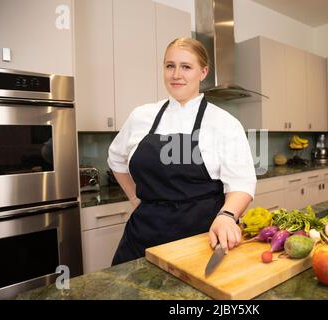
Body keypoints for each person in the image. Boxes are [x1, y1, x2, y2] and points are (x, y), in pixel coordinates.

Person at [107, 37, 256, 265]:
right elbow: (116, 160)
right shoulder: (141, 116)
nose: (176, 74)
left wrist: (227, 216)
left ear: (203, 72)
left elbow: (241, 184)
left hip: (200, 238)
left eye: (186, 67)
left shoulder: (224, 123)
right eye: (170, 66)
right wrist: (135, 198)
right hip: (143, 236)